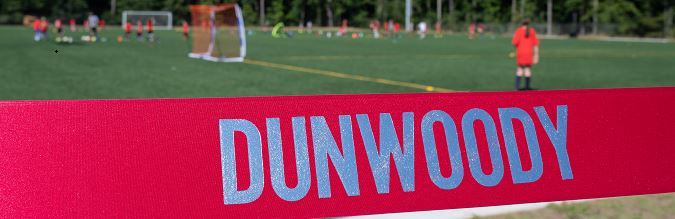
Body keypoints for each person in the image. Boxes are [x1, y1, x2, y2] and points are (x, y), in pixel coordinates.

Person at [511, 18, 540, 91]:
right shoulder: (532, 31)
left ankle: (517, 88)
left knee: (520, 70)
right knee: (528, 70)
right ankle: (527, 88)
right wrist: (536, 55)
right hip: (529, 53)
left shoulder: (519, 30)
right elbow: (536, 44)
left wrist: (515, 36)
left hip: (521, 53)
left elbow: (514, 42)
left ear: (521, 23)